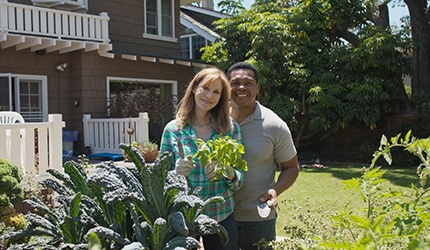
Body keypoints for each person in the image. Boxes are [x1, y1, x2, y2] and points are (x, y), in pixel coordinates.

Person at [160, 67, 243, 250]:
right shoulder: (173, 130)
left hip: (221, 214)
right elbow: (160, 181)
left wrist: (228, 172)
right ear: (194, 88)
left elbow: (239, 182)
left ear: (221, 98)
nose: (209, 96)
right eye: (205, 88)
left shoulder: (230, 129)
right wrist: (175, 173)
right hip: (184, 217)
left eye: (216, 92)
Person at [227, 62, 300, 250]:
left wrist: (275, 190)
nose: (241, 87)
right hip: (220, 215)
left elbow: (291, 167)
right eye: (235, 83)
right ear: (227, 87)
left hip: (258, 218)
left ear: (257, 88)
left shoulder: (274, 125)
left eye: (248, 83)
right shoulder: (213, 121)